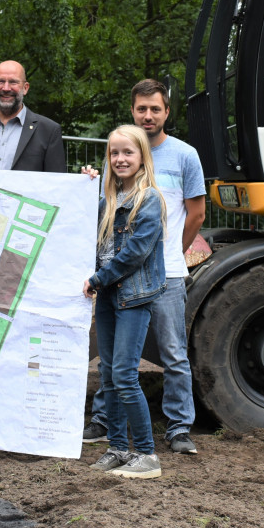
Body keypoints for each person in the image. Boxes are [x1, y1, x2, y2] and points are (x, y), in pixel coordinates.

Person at [84, 79, 206, 455]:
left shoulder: (186, 156)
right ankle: (105, 421)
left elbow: (197, 212)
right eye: (141, 109)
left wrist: (170, 254)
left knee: (172, 352)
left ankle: (179, 426)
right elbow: (107, 211)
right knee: (114, 354)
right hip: (122, 276)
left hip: (166, 272)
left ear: (167, 112)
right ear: (133, 110)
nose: (148, 115)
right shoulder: (120, 156)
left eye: (155, 108)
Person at [84, 125, 166, 479]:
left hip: (132, 297)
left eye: (127, 152)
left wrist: (97, 279)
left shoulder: (148, 200)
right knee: (108, 374)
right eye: (114, 153)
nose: (120, 159)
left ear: (141, 157)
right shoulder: (107, 199)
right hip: (107, 297)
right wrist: (85, 185)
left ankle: (147, 454)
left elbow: (134, 253)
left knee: (125, 374)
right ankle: (117, 448)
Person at [0, 60, 66, 173]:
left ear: (25, 88)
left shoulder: (48, 131)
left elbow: (57, 182)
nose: (6, 88)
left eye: (13, 82)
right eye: (0, 81)